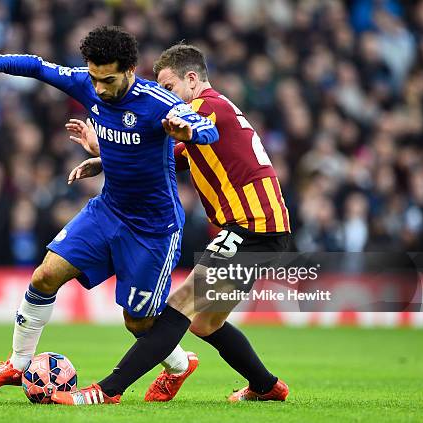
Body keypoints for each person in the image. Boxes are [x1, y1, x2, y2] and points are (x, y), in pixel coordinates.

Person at [0, 27, 219, 395]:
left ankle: (181, 365)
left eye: (109, 79)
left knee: (138, 324)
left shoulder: (158, 102)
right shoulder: (86, 83)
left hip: (153, 230)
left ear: (131, 70)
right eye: (95, 78)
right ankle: (17, 363)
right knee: (45, 276)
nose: (100, 88)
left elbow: (207, 129)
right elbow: (38, 67)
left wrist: (188, 133)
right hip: (108, 211)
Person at [54, 44, 291, 405]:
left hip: (253, 226)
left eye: (168, 88)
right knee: (204, 323)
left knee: (180, 306)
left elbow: (186, 137)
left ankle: (105, 391)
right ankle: (267, 386)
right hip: (259, 227)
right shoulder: (210, 109)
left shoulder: (203, 108)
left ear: (192, 80)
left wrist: (180, 132)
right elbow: (168, 158)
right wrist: (104, 158)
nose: (164, 97)